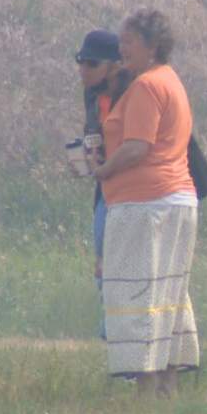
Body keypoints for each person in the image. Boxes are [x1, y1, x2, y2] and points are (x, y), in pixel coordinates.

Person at [94, 9, 199, 398]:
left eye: (129, 41)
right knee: (168, 294)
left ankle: (146, 388)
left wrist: (103, 170)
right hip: (177, 200)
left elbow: (138, 146)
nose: (121, 48)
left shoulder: (146, 86)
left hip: (146, 205)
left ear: (152, 46)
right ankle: (168, 386)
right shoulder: (171, 80)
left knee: (138, 293)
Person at [73, 30, 129, 287]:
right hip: (107, 185)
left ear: (115, 66)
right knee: (103, 264)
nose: (83, 69)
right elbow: (95, 133)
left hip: (133, 187)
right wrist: (86, 158)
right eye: (80, 61)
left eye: (92, 63)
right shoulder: (92, 94)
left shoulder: (134, 93)